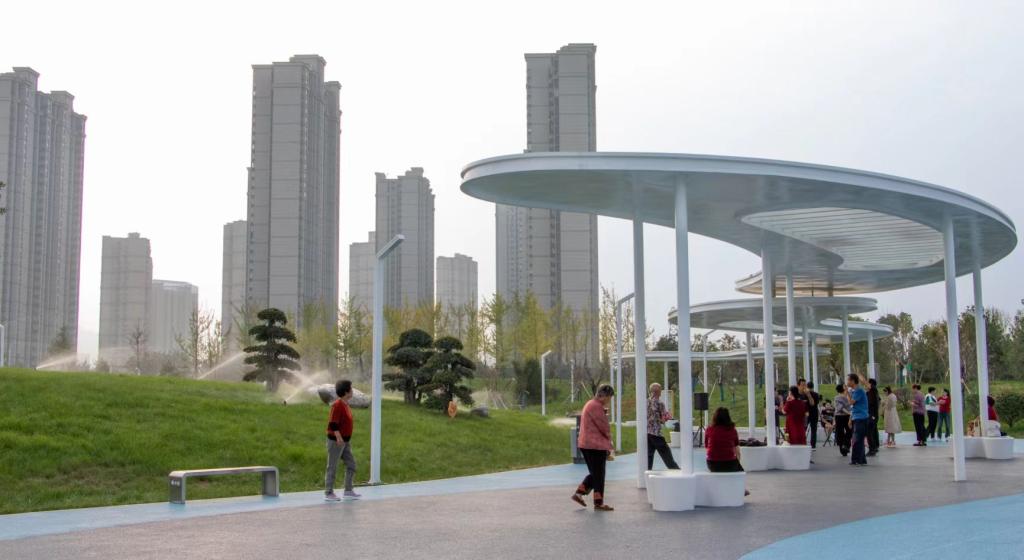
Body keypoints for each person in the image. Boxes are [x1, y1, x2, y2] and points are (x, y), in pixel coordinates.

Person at [572, 384, 615, 511]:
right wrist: (610, 442)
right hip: (594, 445)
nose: (609, 400)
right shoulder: (596, 406)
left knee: (595, 473)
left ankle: (579, 494)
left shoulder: (591, 404)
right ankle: (598, 502)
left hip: (587, 444)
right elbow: (604, 426)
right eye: (610, 397)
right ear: (605, 396)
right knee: (599, 474)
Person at [325, 380, 359, 501]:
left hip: (345, 442)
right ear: (346, 392)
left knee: (351, 465)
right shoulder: (337, 405)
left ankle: (348, 491)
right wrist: (339, 438)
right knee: (332, 467)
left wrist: (345, 440)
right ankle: (329, 493)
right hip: (336, 441)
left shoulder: (345, 404)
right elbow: (333, 424)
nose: (352, 390)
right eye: (351, 388)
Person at [705, 407, 751, 496]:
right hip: (729, 463)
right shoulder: (732, 430)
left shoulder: (709, 429)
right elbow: (737, 450)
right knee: (740, 472)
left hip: (712, 463)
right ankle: (740, 489)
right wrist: (737, 462)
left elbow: (707, 447)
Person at [647, 383, 680, 470]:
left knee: (649, 456)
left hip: (648, 433)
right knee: (666, 454)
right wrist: (668, 417)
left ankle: (646, 472)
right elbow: (664, 418)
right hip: (657, 433)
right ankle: (675, 470)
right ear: (659, 392)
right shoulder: (660, 403)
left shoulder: (646, 402)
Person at [848, 374, 869, 465]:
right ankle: (859, 459)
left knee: (858, 439)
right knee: (857, 439)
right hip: (857, 417)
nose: (847, 382)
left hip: (861, 418)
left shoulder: (859, 391)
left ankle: (858, 459)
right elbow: (853, 408)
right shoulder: (855, 391)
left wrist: (846, 392)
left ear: (853, 381)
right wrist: (850, 419)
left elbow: (851, 402)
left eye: (848, 380)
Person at [798, 379, 820, 448]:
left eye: (805, 385)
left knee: (813, 430)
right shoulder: (801, 395)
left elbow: (813, 404)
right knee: (804, 428)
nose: (804, 387)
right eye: (803, 385)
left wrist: (809, 394)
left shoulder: (815, 394)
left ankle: (813, 445)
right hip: (805, 415)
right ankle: (802, 443)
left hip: (813, 414)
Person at [833, 384, 852, 456]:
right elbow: (840, 408)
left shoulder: (847, 396)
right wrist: (849, 413)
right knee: (841, 432)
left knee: (849, 431)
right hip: (840, 416)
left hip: (847, 416)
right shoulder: (837, 397)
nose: (846, 387)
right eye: (844, 386)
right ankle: (843, 449)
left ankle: (846, 445)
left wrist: (848, 392)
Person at [866, 379, 881, 456]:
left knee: (869, 432)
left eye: (868, 383)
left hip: (872, 415)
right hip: (872, 414)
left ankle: (872, 449)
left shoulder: (873, 391)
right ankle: (875, 446)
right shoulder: (870, 393)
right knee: (873, 431)